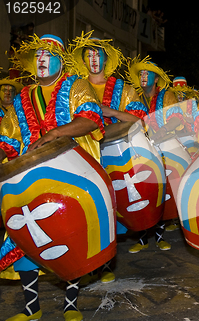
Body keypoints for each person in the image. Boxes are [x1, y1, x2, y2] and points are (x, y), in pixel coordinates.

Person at [0, 34, 105, 321]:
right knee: (23, 237)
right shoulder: (23, 96)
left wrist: (55, 132)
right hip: (28, 181)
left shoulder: (76, 86)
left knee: (68, 237)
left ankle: (70, 305)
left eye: (48, 55)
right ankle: (32, 309)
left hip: (69, 176)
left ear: (61, 60)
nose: (41, 60)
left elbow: (91, 119)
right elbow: (7, 138)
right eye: (37, 56)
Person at [68, 32, 148, 284]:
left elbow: (141, 121)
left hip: (116, 157)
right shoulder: (73, 88)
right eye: (88, 54)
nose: (93, 58)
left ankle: (105, 263)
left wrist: (109, 111)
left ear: (106, 59)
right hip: (81, 155)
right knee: (86, 211)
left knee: (110, 211)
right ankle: (88, 263)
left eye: (97, 54)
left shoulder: (124, 89)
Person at [125, 56, 178, 253]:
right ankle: (141, 239)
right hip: (139, 150)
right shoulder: (134, 96)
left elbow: (175, 118)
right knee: (139, 190)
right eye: (141, 73)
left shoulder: (168, 95)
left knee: (161, 192)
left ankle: (159, 236)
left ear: (156, 79)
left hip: (163, 149)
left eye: (147, 73)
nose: (143, 76)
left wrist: (161, 131)